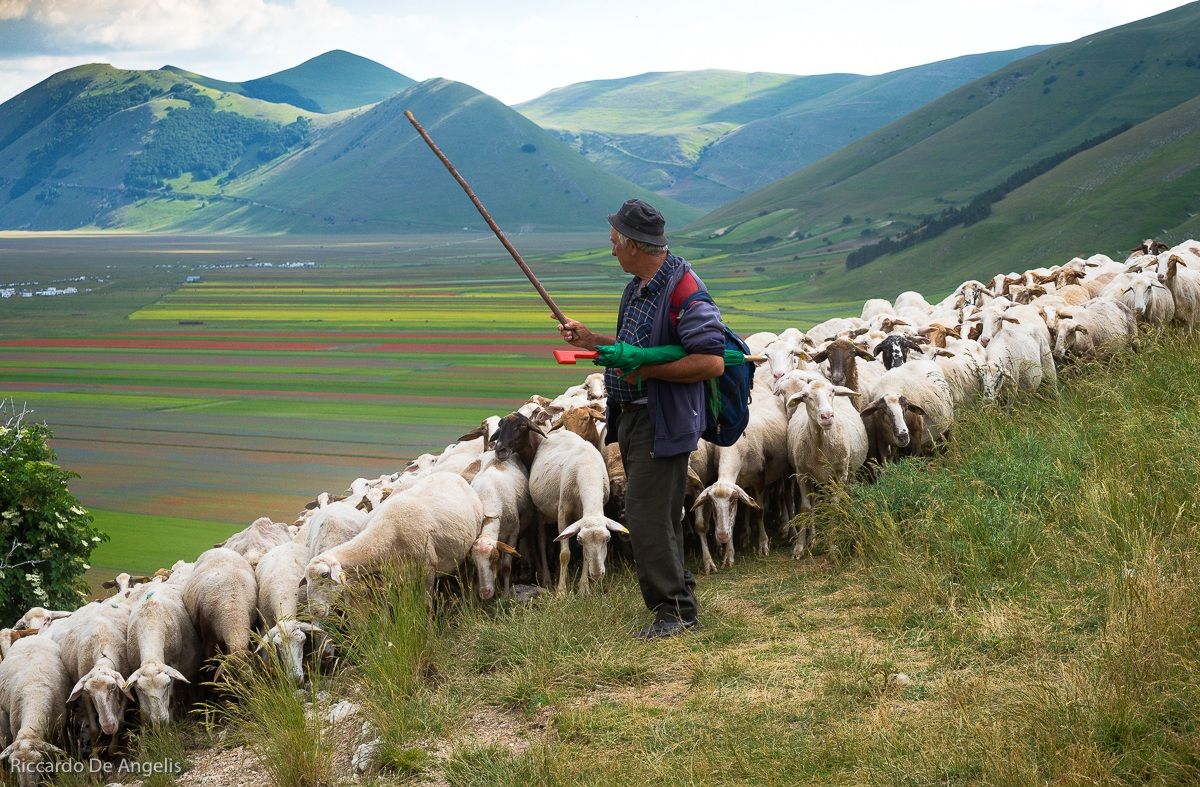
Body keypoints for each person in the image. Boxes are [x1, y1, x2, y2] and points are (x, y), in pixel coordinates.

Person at [558, 198, 725, 639]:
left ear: (633, 244)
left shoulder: (686, 290)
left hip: (662, 419)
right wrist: (593, 341)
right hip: (631, 419)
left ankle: (674, 613)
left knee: (645, 515)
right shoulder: (638, 286)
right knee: (661, 513)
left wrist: (642, 368)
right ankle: (678, 592)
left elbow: (710, 361)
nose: (611, 249)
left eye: (614, 241)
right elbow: (636, 345)